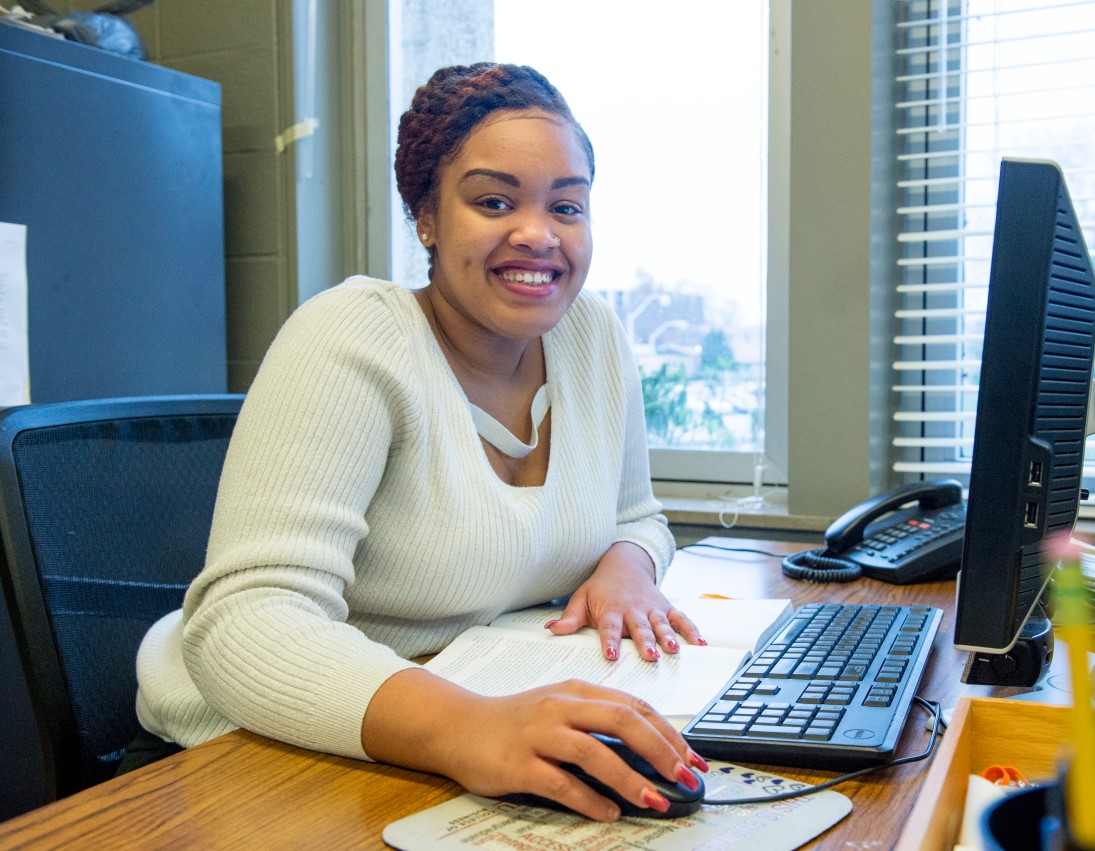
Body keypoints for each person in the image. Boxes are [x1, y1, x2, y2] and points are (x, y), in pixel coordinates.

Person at [131, 62, 708, 822]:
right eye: (494, 200)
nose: (538, 233)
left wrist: (628, 566)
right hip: (267, 744)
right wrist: (470, 726)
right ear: (426, 216)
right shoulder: (355, 337)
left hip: (464, 724)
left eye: (566, 206)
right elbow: (245, 621)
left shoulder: (592, 334)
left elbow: (638, 517)